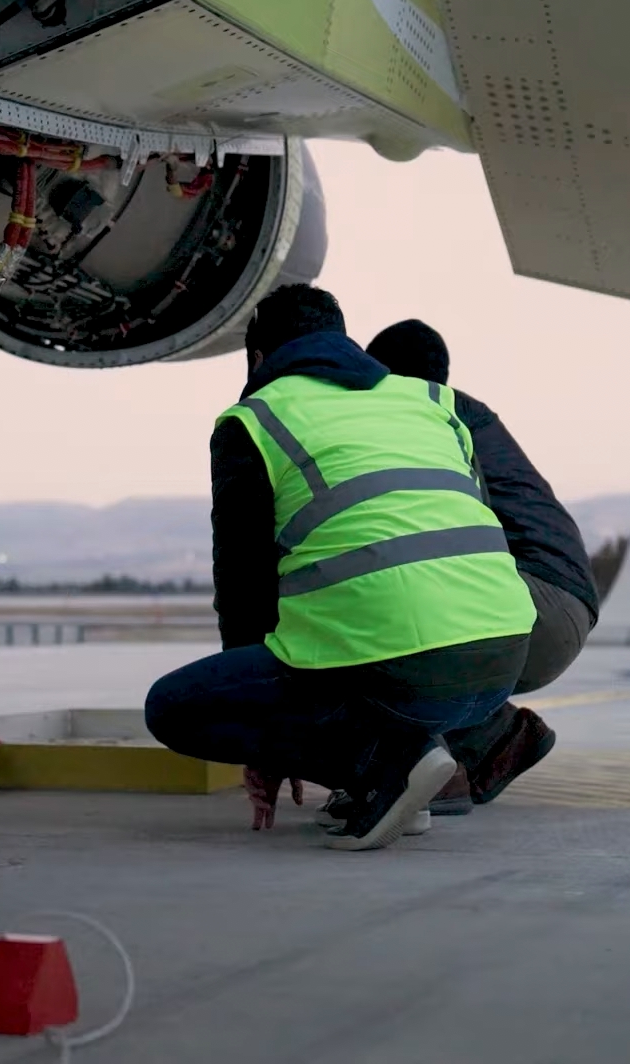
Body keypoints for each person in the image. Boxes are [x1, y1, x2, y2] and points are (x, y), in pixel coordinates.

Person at [144, 285, 539, 851]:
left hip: (403, 669)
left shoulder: (255, 419)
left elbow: (244, 583)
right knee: (363, 653)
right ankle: (397, 786)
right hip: (502, 660)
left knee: (174, 708)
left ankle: (383, 771)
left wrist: (265, 745)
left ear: (258, 357)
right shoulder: (431, 400)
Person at [353, 317, 597, 817]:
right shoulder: (458, 410)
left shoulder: (425, 420)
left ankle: (460, 758)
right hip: (559, 600)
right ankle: (488, 737)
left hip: (534, 603)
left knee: (366, 607)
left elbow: (451, 543)